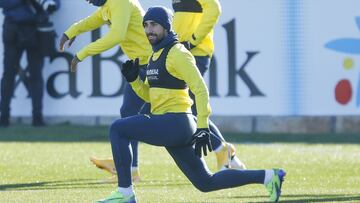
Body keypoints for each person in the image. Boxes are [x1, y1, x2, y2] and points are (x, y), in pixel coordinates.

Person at [96, 6, 286, 203]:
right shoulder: (155, 55)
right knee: (206, 183)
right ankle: (269, 177)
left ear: (167, 27)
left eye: (154, 25)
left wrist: (203, 126)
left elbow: (201, 90)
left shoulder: (178, 53)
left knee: (118, 129)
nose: (148, 30)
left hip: (176, 122)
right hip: (172, 125)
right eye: (145, 25)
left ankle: (125, 194)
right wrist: (134, 80)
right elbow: (151, 97)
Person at [90, 0, 245, 182]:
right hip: (178, 48)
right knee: (170, 109)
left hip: (193, 50)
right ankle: (222, 151)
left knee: (176, 109)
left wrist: (193, 40)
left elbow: (214, 9)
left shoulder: (182, 49)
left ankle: (127, 165)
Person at [0, 0, 60, 127]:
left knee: (36, 74)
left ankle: (37, 117)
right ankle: (4, 117)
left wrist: (48, 5)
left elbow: (56, 4)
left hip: (37, 29)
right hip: (13, 29)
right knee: (9, 74)